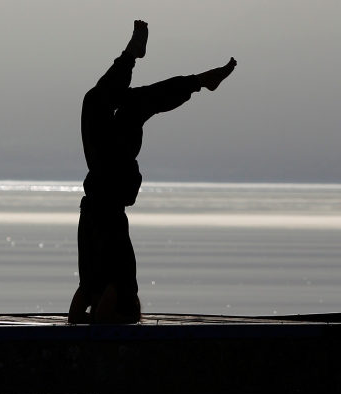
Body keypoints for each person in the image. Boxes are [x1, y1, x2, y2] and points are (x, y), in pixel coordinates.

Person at [69, 21, 237, 324]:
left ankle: (143, 60)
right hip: (108, 188)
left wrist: (87, 317)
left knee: (98, 101)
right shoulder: (119, 284)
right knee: (127, 104)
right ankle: (194, 79)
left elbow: (80, 310)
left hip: (101, 196)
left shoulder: (97, 280)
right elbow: (95, 311)